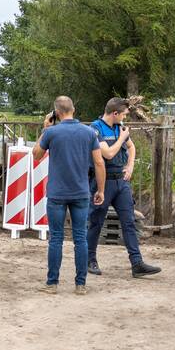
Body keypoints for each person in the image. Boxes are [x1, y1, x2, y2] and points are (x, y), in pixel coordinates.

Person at [33, 96, 106, 295]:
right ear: (74, 109)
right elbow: (99, 163)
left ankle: (52, 283)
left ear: (56, 113)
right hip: (81, 192)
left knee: (56, 238)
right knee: (80, 238)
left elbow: (36, 154)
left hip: (57, 192)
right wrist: (100, 190)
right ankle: (80, 284)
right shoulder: (89, 132)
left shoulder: (52, 132)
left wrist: (45, 130)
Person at [86, 97, 162, 278]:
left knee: (128, 222)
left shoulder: (119, 127)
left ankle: (137, 263)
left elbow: (132, 147)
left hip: (121, 182)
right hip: (102, 182)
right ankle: (90, 260)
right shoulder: (96, 129)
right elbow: (109, 154)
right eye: (123, 115)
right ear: (114, 113)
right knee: (96, 222)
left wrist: (130, 166)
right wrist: (121, 138)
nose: (124, 119)